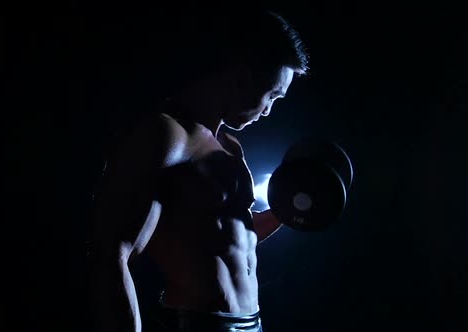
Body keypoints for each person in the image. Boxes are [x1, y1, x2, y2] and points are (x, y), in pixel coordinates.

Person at [88, 9, 309, 332]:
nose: (268, 111)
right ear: (241, 76)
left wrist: (285, 212)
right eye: (271, 95)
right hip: (198, 324)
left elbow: (232, 240)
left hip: (252, 323)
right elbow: (111, 254)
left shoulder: (230, 147)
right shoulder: (167, 137)